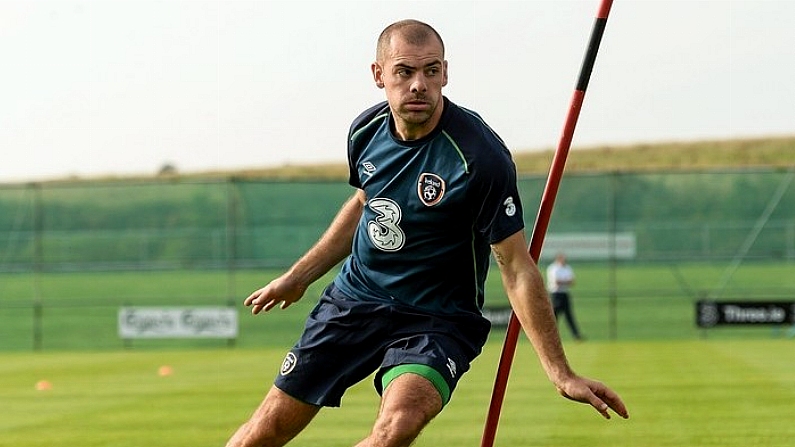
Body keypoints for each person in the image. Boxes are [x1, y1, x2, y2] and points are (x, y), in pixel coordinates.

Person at [225, 19, 628, 447]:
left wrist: (560, 372)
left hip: (436, 319)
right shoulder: (365, 132)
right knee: (263, 431)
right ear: (379, 75)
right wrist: (299, 277)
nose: (419, 85)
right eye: (404, 71)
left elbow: (515, 265)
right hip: (355, 300)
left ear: (445, 74)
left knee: (395, 427)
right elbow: (366, 205)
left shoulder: (479, 156)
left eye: (431, 71)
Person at [546, 252, 585, 341]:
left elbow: (572, 281)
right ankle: (551, 337)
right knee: (554, 316)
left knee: (569, 316)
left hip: (564, 293)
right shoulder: (553, 268)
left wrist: (564, 282)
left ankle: (576, 335)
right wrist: (566, 281)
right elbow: (556, 282)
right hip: (556, 294)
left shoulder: (567, 268)